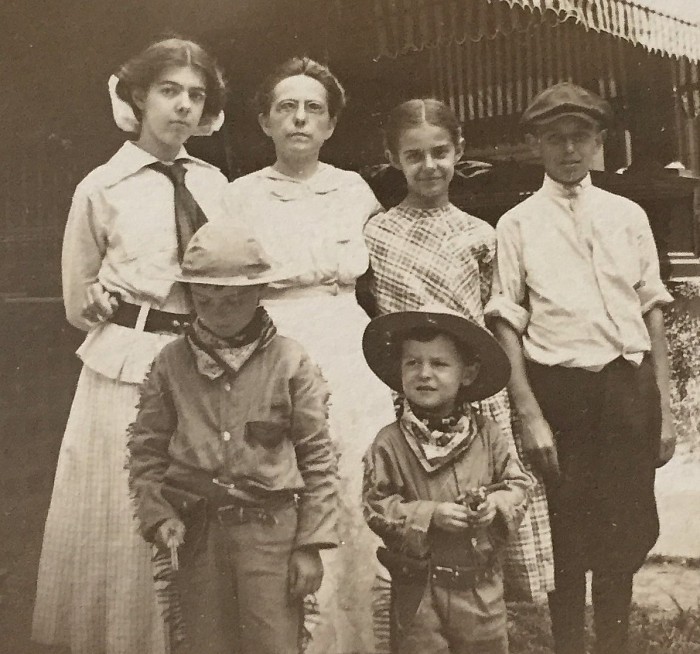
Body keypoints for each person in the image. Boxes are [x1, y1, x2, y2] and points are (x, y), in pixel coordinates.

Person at [32, 37, 228, 654]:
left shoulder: (216, 182)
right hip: (129, 364)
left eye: (196, 96)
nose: (184, 107)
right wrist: (95, 300)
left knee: (199, 500)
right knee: (128, 507)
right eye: (170, 91)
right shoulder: (102, 186)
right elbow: (74, 302)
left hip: (201, 360)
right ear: (139, 96)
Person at [484, 82, 676, 654]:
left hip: (626, 389)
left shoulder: (628, 215)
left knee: (624, 531)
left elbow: (652, 311)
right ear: (536, 145)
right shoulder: (516, 224)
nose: (570, 150)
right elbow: (505, 320)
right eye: (556, 139)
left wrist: (663, 409)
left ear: (598, 142)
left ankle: (613, 642)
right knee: (567, 538)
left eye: (581, 137)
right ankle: (567, 643)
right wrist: (530, 414)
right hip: (561, 394)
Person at [222, 56, 395, 654]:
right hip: (271, 342)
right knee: (277, 482)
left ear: (330, 125)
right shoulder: (239, 195)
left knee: (346, 478)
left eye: (314, 108)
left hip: (347, 346)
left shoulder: (354, 191)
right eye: (286, 107)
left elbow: (377, 283)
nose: (300, 118)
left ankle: (355, 638)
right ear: (265, 121)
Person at [362, 98, 553, 603]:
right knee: (415, 530)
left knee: (476, 527)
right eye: (414, 155)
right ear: (394, 159)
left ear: (459, 150)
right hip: (409, 397)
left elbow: (496, 324)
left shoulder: (480, 234)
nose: (429, 166)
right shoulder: (375, 232)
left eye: (440, 152)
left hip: (472, 398)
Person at [127, 221, 339, 654]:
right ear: (191, 297)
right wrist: (159, 515)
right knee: (206, 642)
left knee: (274, 640)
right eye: (205, 299)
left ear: (260, 292)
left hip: (270, 533)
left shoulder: (290, 361)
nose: (220, 310)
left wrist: (310, 545)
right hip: (197, 531)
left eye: (235, 297)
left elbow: (318, 458)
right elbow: (145, 449)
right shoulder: (170, 363)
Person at [362, 304, 532, 654]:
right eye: (413, 363)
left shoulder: (487, 435)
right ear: (400, 371)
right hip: (418, 591)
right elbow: (376, 506)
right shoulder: (389, 443)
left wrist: (494, 506)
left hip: (480, 590)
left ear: (467, 374)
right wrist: (429, 515)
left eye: (439, 364)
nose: (425, 373)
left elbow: (518, 485)